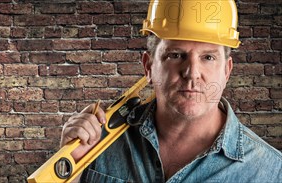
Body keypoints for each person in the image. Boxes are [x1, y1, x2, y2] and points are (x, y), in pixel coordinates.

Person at [60, 0, 282, 182]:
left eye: (208, 57)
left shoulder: (272, 172)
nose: (192, 73)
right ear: (148, 67)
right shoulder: (98, 143)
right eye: (176, 55)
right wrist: (69, 168)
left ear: (226, 70)